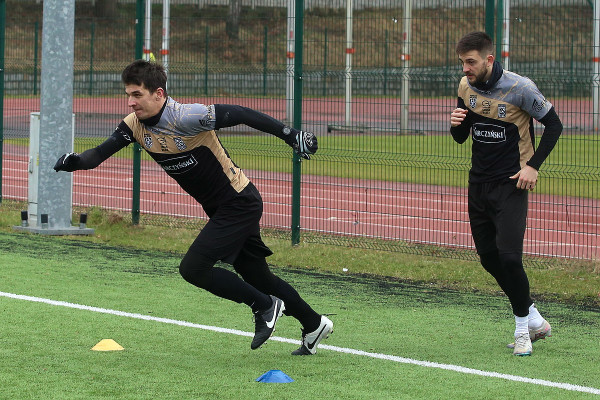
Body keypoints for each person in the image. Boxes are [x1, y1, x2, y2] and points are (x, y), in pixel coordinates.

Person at [54, 59, 333, 355]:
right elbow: (99, 153)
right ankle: (314, 324)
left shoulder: (186, 117)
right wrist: (76, 162)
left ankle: (264, 306)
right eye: (128, 95)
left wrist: (290, 135)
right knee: (259, 278)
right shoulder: (134, 125)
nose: (131, 102)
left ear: (158, 94)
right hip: (225, 209)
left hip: (239, 202)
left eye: (137, 95)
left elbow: (241, 113)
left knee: (193, 268)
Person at [449, 32, 562, 356]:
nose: (466, 68)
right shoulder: (465, 86)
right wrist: (456, 123)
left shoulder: (521, 88)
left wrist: (533, 166)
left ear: (488, 59)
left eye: (471, 62)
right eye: (462, 62)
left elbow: (554, 125)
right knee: (489, 258)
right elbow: (461, 136)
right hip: (478, 184)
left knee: (510, 258)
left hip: (512, 184)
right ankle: (535, 318)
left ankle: (522, 329)